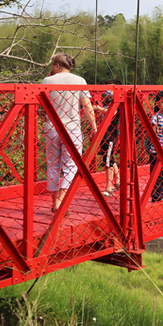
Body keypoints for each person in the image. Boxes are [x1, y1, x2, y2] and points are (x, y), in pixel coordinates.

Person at [42, 53, 97, 212]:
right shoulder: (80, 81)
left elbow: (41, 101)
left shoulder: (48, 81)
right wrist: (94, 126)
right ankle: (60, 200)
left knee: (53, 165)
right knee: (71, 166)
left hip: (51, 128)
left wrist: (48, 78)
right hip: (72, 129)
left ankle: (55, 203)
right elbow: (86, 105)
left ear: (57, 66)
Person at [93, 80, 121, 198]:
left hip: (110, 134)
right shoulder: (109, 102)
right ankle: (118, 180)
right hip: (104, 134)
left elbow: (113, 113)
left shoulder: (118, 102)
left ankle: (108, 188)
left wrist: (98, 108)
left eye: (110, 89)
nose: (107, 92)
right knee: (108, 158)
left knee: (107, 161)